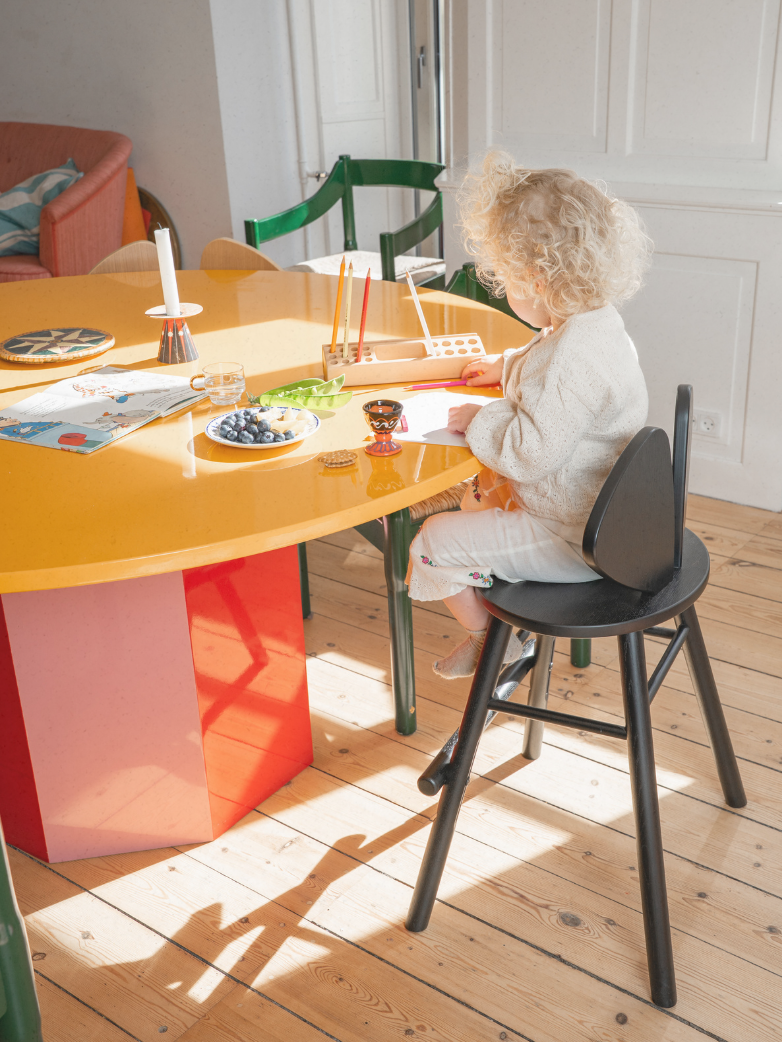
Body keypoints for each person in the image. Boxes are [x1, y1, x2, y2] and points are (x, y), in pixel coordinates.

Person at [406, 152, 651, 679]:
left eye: (507, 280)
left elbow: (526, 453)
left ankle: (489, 642)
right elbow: (552, 371)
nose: (505, 290)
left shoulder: (569, 358)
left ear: (536, 281)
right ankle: (496, 614)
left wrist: (479, 418)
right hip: (606, 517)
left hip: (575, 538)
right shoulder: (594, 326)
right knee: (475, 500)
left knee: (430, 542)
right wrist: (505, 365)